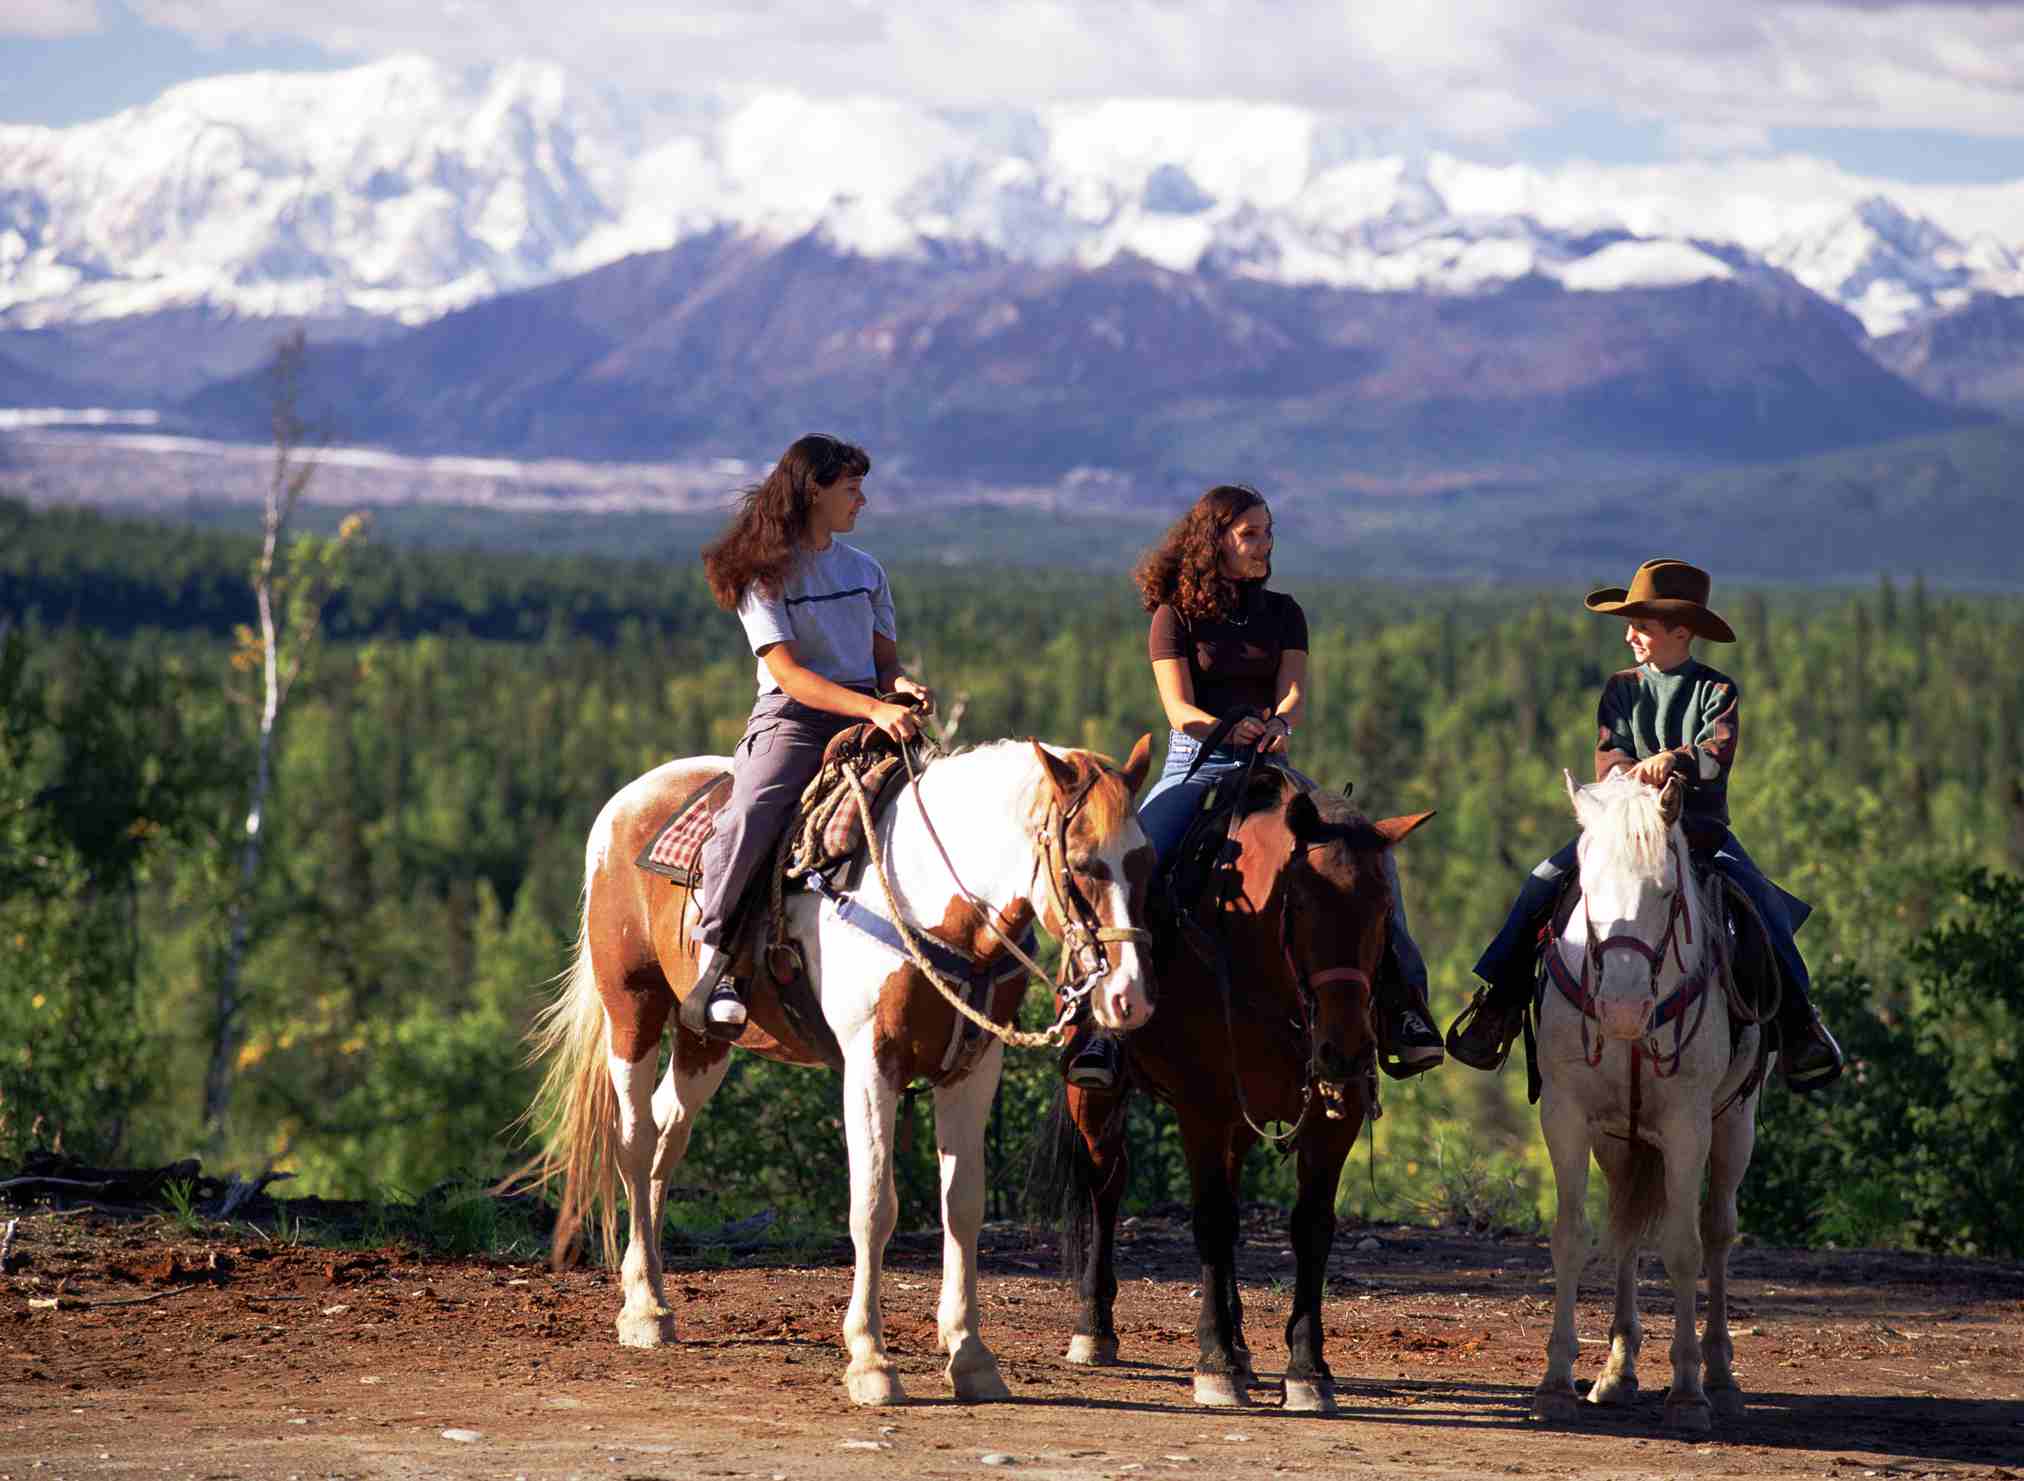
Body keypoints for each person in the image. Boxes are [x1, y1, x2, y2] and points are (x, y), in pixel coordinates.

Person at [1064, 484, 1446, 1090]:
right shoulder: (1174, 617)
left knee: (1367, 857)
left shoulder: (1284, 612)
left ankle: (1405, 1009)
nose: (1264, 544)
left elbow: (1292, 692)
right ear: (1215, 539)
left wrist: (1280, 721)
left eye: (1268, 532)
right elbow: (1178, 709)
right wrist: (1225, 727)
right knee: (1137, 864)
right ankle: (1100, 1033)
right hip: (1198, 764)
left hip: (1271, 764)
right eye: (1250, 534)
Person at [1445, 558, 1844, 1091]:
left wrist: (1673, 760)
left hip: (1699, 833)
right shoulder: (1620, 688)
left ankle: (1799, 1024)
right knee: (1541, 881)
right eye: (1630, 625)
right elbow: (1608, 760)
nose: (1630, 635)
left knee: (1763, 904)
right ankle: (1500, 1002)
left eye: (1643, 626)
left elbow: (1714, 757)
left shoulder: (1717, 691)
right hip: (1622, 829)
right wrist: (1634, 774)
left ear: (1681, 631)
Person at [690, 434, 933, 1039]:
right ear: (815, 492)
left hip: (867, 711)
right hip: (794, 720)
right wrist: (872, 711)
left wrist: (902, 690)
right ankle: (715, 959)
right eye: (851, 489)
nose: (862, 501)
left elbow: (885, 666)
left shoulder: (866, 571)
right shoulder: (764, 576)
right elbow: (791, 675)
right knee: (753, 809)